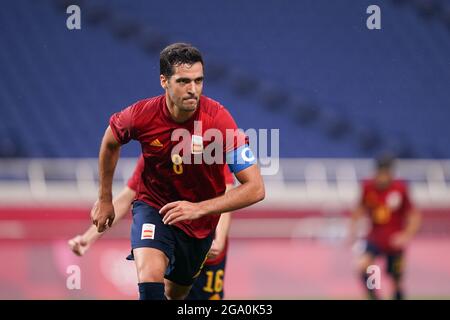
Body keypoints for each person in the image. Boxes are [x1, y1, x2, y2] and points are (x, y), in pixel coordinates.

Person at [91, 43, 265, 300]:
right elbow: (110, 142)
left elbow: (256, 188)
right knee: (150, 278)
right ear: (164, 81)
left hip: (199, 224)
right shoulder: (140, 115)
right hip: (154, 207)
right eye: (183, 81)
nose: (193, 89)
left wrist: (198, 209)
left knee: (175, 294)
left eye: (198, 80)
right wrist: (105, 198)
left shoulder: (219, 120)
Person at [68, 156, 235, 300]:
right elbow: (127, 197)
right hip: (172, 239)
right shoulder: (154, 149)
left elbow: (225, 191)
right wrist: (88, 238)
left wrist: (219, 238)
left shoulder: (206, 147)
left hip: (204, 244)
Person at [349, 155, 421, 300]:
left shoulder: (400, 189)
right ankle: (374, 296)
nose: (382, 177)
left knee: (396, 282)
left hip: (394, 242)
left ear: (390, 173)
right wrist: (353, 231)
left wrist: (406, 235)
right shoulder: (368, 187)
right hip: (374, 238)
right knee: (363, 266)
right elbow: (359, 209)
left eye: (385, 173)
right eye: (379, 173)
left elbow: (414, 215)